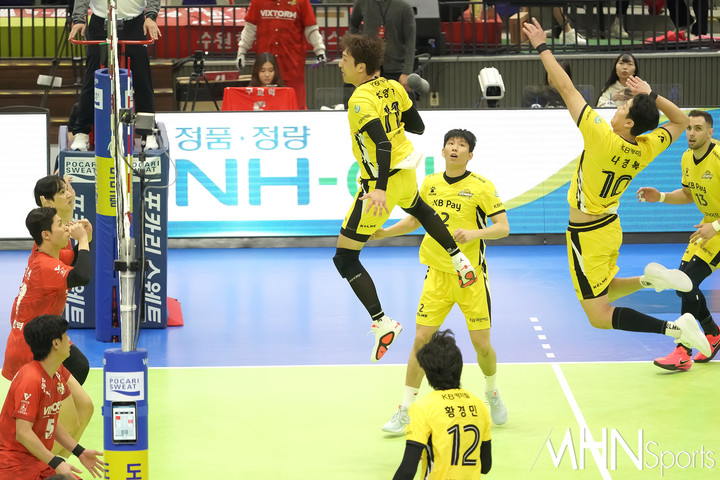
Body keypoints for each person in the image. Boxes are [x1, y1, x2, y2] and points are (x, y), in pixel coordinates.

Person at [522, 18, 712, 359]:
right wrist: (651, 95)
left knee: (598, 315)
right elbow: (681, 121)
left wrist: (542, 46)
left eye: (623, 107)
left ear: (628, 122)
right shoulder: (645, 146)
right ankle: (653, 280)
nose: (617, 108)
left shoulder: (601, 135)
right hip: (610, 228)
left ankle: (675, 328)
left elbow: (566, 88)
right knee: (605, 290)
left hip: (587, 234)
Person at [335, 34, 477, 363]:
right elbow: (418, 127)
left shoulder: (359, 100)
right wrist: (402, 103)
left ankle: (382, 322)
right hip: (407, 173)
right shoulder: (393, 87)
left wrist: (379, 188)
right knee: (420, 209)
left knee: (345, 259)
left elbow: (382, 145)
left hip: (380, 185)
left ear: (360, 67)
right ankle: (459, 259)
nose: (339, 64)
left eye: (344, 59)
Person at [374, 128, 509, 434]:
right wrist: (384, 233)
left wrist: (474, 233)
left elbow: (503, 227)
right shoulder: (430, 183)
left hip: (470, 277)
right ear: (443, 150)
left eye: (461, 145)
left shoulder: (482, 186)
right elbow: (414, 219)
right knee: (421, 340)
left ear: (470, 155)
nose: (455, 148)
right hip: (436, 275)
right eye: (450, 143)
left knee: (482, 345)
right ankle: (404, 410)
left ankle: (492, 391)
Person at [2, 207, 94, 457]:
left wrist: (84, 240)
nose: (66, 227)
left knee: (85, 407)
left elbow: (75, 260)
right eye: (60, 224)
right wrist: (83, 240)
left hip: (41, 341)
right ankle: (43, 467)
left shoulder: (49, 254)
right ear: (46, 234)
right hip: (33, 350)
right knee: (65, 423)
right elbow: (82, 275)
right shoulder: (45, 265)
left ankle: (55, 467)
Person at [637, 110, 720, 370]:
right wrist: (660, 196)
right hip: (709, 226)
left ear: (710, 132)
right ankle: (712, 334)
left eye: (698, 128)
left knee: (688, 281)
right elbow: (687, 194)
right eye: (689, 128)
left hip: (716, 227)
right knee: (682, 283)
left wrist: (716, 226)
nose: (691, 133)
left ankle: (684, 350)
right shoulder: (686, 157)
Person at [0, 315, 104, 479]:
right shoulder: (30, 379)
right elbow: (23, 432)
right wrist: (56, 462)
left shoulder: (54, 374)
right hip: (14, 467)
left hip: (37, 462)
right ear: (55, 343)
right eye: (66, 336)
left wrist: (80, 452)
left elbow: (51, 420)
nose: (69, 341)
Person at [392, 329, 492, 480]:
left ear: (428, 371)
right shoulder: (479, 406)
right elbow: (486, 466)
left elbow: (407, 470)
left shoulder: (423, 408)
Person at [67, 0, 161, 152]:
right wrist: (78, 19)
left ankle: (147, 132)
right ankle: (81, 132)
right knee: (92, 79)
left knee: (142, 79)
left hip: (135, 23)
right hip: (100, 23)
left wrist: (151, 17)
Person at [236, 0, 326, 110]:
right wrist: (242, 52)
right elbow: (249, 29)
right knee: (267, 108)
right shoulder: (258, 1)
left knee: (296, 106)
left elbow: (311, 28)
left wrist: (319, 50)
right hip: (267, 71)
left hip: (293, 66)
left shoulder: (301, 1)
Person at [349, 0, 416, 91]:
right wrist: (360, 46)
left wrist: (407, 72)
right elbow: (353, 25)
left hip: (396, 69)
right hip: (369, 68)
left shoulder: (404, 7)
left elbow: (410, 42)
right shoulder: (363, 3)